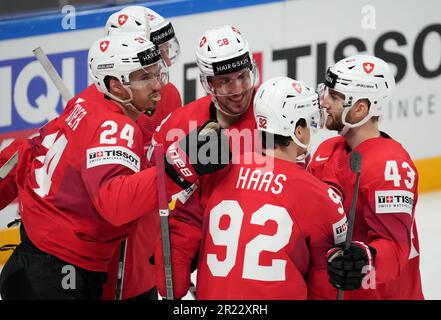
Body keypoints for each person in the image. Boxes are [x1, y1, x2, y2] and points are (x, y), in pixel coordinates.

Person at [0, 34, 225, 300]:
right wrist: (183, 166)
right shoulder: (116, 126)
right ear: (116, 86)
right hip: (59, 276)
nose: (157, 85)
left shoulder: (83, 106)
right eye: (144, 78)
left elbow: (25, 152)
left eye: (156, 73)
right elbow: (115, 204)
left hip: (30, 265)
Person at [167, 76, 356, 299]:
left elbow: (180, 234)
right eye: (309, 122)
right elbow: (326, 288)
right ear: (297, 131)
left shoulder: (220, 171)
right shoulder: (320, 196)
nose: (311, 130)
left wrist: (175, 283)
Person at [151, 25, 264, 299]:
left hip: (258, 242)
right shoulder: (178, 124)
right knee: (169, 288)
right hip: (197, 237)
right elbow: (152, 187)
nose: (238, 90)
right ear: (208, 82)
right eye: (225, 81)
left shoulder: (272, 112)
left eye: (242, 76)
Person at [308, 55, 424, 299]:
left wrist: (366, 260)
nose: (324, 101)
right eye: (327, 91)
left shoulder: (390, 166)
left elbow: (394, 247)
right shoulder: (326, 150)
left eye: (335, 96)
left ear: (360, 109)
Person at [100, 6, 183, 300]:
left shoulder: (168, 94)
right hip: (109, 237)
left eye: (163, 47)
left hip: (146, 226)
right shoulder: (103, 109)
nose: (165, 56)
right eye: (156, 48)